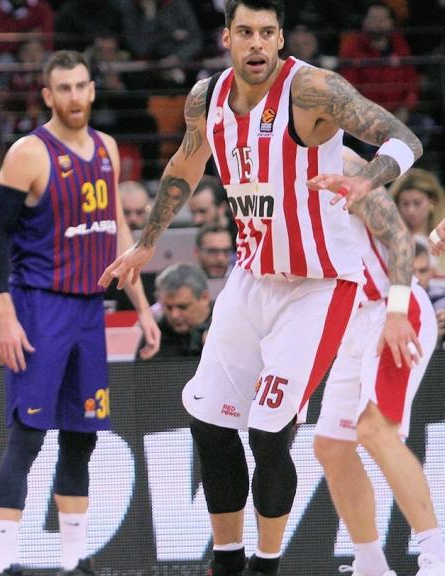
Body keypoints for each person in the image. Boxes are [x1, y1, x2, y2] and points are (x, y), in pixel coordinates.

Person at [99, 1, 424, 574]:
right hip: (252, 276)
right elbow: (184, 163)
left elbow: (403, 138)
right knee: (207, 418)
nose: (256, 44)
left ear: (280, 38)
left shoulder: (312, 90)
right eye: (245, 32)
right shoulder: (208, 96)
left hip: (321, 285)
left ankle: (267, 563)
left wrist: (364, 178)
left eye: (267, 33)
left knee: (271, 433)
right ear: (227, 36)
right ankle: (227, 559)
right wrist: (148, 241)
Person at [0, 50, 160, 576]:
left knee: (81, 439)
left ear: (92, 90)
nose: (74, 97)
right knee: (27, 436)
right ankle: (6, 560)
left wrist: (143, 308)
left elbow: (118, 232)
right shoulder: (26, 153)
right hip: (39, 305)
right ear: (47, 95)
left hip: (91, 309)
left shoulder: (108, 148)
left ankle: (73, 560)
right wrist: (4, 314)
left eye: (81, 86)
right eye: (62, 88)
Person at [314, 147, 445, 576]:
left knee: (375, 429)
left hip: (393, 308)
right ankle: (371, 565)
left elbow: (400, 238)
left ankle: (437, 555)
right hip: (349, 323)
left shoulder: (344, 163)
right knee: (331, 446)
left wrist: (395, 311)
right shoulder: (269, 177)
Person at [137, 262, 212, 360]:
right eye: (168, 307)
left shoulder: (223, 327)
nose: (174, 315)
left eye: (182, 307)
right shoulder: (156, 335)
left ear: (204, 298)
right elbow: (139, 374)